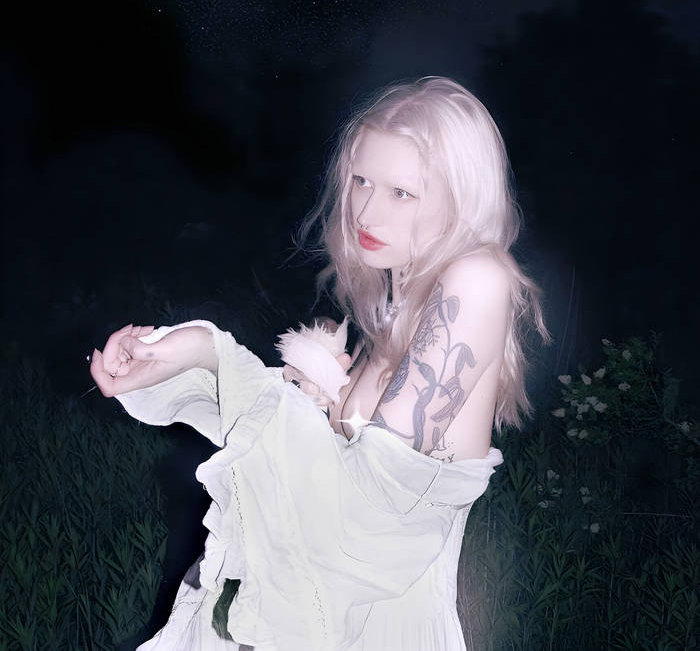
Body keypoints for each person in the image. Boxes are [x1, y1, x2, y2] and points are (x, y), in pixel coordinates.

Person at [90, 76, 549, 650]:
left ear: (461, 199)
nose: (366, 211)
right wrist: (183, 360)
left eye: (401, 192)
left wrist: (212, 354)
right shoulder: (392, 321)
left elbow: (364, 502)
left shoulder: (477, 277)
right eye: (361, 181)